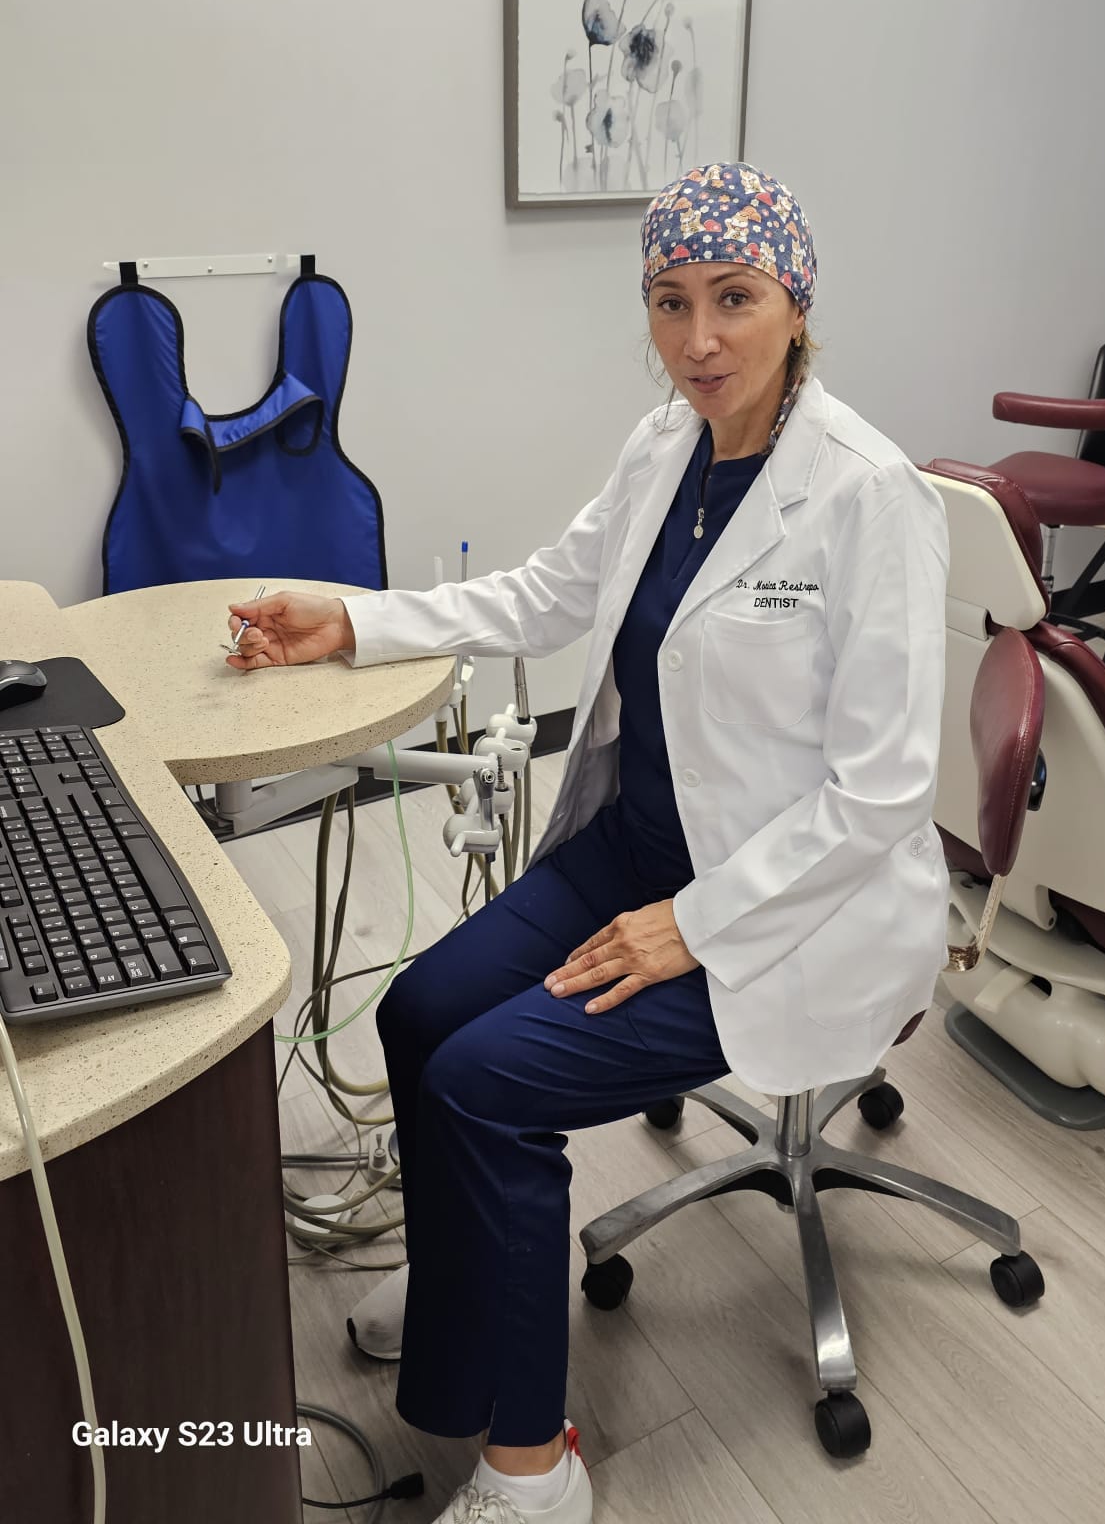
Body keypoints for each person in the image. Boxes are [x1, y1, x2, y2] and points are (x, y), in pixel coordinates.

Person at [227, 162, 950, 1524]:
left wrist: (696, 923)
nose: (698, 341)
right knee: (423, 1011)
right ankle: (465, 1295)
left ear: (794, 303)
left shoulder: (866, 498)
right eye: (669, 304)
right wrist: (355, 617)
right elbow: (549, 591)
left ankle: (532, 1467)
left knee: (493, 1081)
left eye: (733, 299)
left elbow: (881, 793)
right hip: (640, 847)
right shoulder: (661, 448)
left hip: (789, 912)